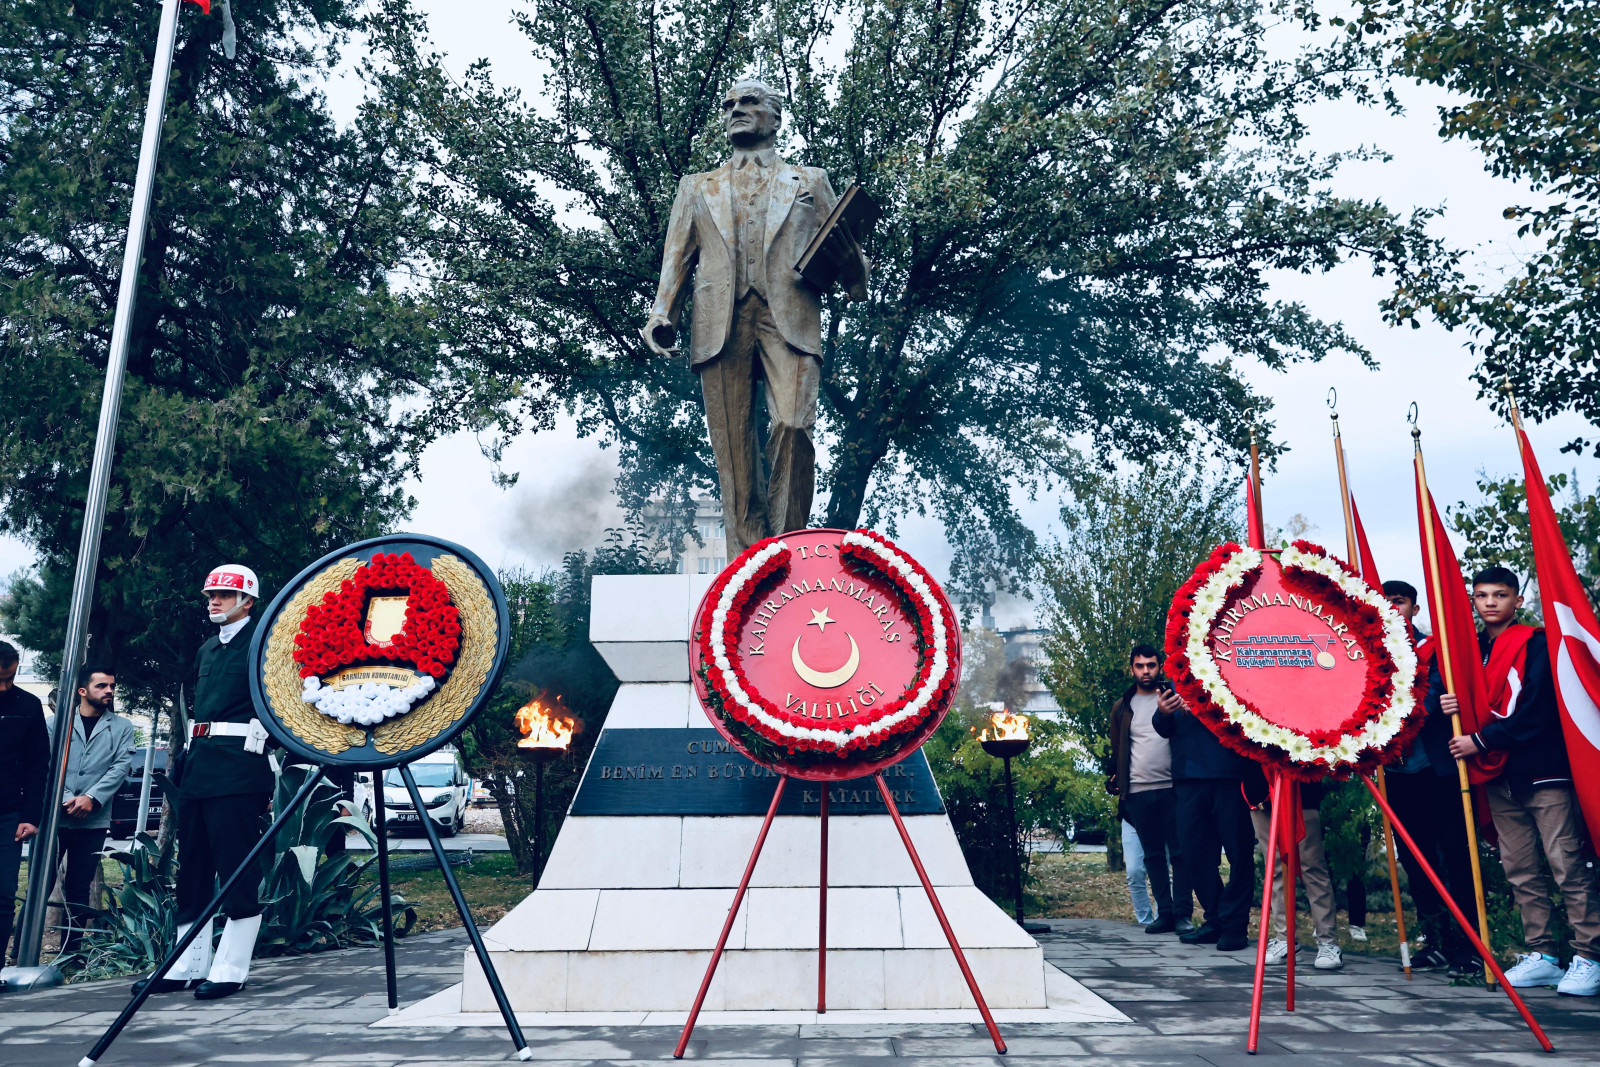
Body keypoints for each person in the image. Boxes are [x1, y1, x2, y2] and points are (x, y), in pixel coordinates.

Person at [642, 79, 870, 554]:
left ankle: (789, 550)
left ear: (775, 117)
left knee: (793, 424)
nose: (735, 110)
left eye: (749, 101)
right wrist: (663, 313)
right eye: (729, 104)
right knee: (734, 455)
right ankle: (749, 563)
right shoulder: (695, 187)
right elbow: (677, 256)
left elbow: (848, 251)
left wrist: (854, 269)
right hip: (718, 322)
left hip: (791, 317)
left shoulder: (810, 181)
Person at [1444, 566, 1600, 996]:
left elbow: (1537, 710)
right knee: (1520, 869)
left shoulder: (1536, 643)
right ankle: (1543, 955)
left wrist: (1479, 740)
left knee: (1566, 865)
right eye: (1481, 595)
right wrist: (1455, 704)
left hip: (1543, 769)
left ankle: (1589, 956)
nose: (1490, 602)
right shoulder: (1472, 652)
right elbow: (1475, 702)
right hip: (1497, 774)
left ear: (1517, 600)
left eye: (1499, 595)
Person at [133, 564, 275, 1001]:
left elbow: (282, 705)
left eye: (224, 595)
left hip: (239, 768)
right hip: (200, 767)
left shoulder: (264, 644)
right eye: (211, 594)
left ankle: (231, 968)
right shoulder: (208, 649)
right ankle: (185, 966)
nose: (214, 601)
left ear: (247, 602)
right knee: (192, 869)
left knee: (236, 867)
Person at [1378, 579, 1480, 971]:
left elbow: (1432, 696)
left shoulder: (1435, 650)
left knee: (1454, 854)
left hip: (1438, 770)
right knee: (1415, 858)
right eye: (1384, 602)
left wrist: (1387, 705)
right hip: (1397, 772)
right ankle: (1436, 940)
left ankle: (1469, 945)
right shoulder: (1369, 654)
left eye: (1399, 602)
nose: (1392, 608)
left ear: (1414, 609)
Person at [1152, 675, 1254, 951]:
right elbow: (1163, 728)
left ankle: (1234, 926)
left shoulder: (1231, 671)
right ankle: (1215, 918)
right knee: (1193, 854)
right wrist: (1163, 713)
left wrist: (1206, 704)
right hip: (1188, 778)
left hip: (1231, 776)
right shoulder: (1178, 677)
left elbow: (1250, 717)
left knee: (1239, 854)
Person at [47, 666, 137, 956]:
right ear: (82, 691)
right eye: (101, 686)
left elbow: (120, 767)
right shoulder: (56, 723)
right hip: (54, 819)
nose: (109, 690)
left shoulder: (122, 727)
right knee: (40, 885)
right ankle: (20, 953)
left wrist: (92, 798)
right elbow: (45, 763)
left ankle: (71, 955)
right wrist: (68, 798)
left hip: (93, 819)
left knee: (79, 888)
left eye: (111, 686)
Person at [1107, 644, 1194, 934]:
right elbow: (1118, 748)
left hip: (1173, 789)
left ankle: (1183, 915)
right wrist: (1117, 779)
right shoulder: (1122, 706)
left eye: (1151, 665)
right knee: (1153, 856)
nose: (1146, 671)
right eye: (1140, 666)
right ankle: (1164, 914)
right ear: (1132, 669)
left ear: (1160, 666)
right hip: (1138, 792)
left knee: (1180, 854)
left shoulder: (1173, 697)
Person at [1246, 773, 1343, 969]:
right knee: (1275, 867)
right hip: (1259, 790)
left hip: (1299, 788)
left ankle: (1328, 941)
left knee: (1312, 866)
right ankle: (1285, 939)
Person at [0, 640, 48, 968]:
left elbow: (37, 764)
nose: (4, 686)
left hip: (8, 814)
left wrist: (30, 816)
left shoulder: (28, 705)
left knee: (3, 895)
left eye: (10, 678)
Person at [1120, 819, 1155, 926]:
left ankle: (1164, 917)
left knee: (1164, 872)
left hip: (1161, 818)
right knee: (1134, 872)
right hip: (1131, 819)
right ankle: (1144, 921)